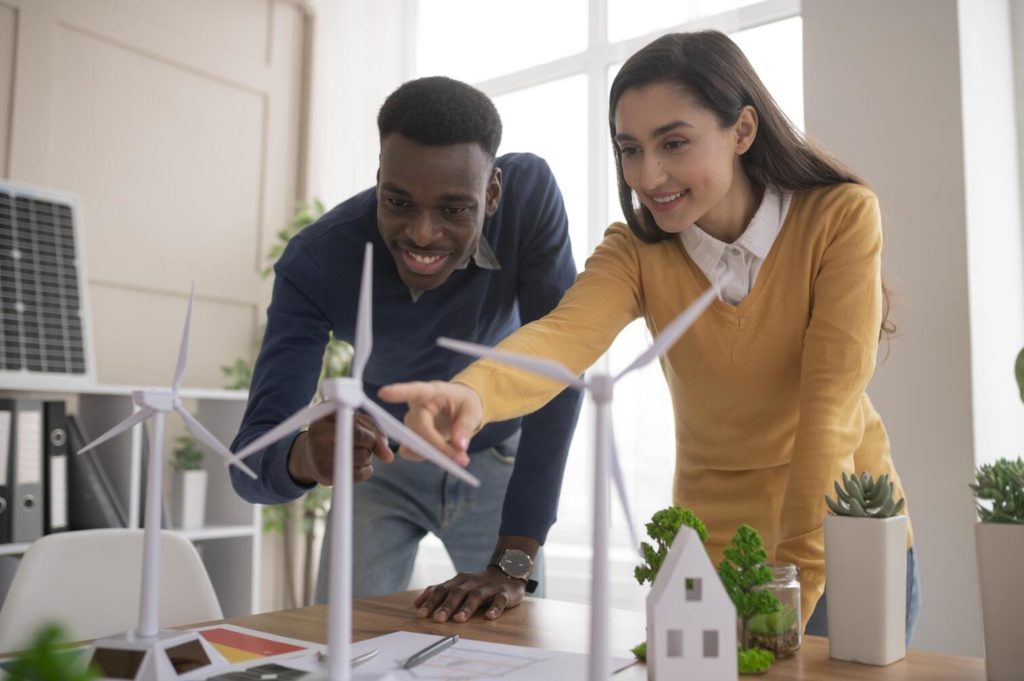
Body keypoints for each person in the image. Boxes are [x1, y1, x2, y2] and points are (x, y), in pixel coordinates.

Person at [381, 32, 920, 639]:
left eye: (674, 143)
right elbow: (562, 337)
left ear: (742, 131)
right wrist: (473, 394)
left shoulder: (839, 217)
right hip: (711, 546)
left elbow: (829, 407)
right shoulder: (636, 249)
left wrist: (790, 577)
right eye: (629, 149)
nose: (648, 173)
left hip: (843, 532)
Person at [230, 76, 582, 621]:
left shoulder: (529, 197)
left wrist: (515, 562)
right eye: (397, 201)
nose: (421, 233)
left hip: (497, 464)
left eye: (453, 210)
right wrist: (304, 455)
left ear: (492, 193)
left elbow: (557, 372)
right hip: (380, 471)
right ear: (378, 181)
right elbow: (249, 461)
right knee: (343, 643)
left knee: (518, 643)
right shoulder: (316, 260)